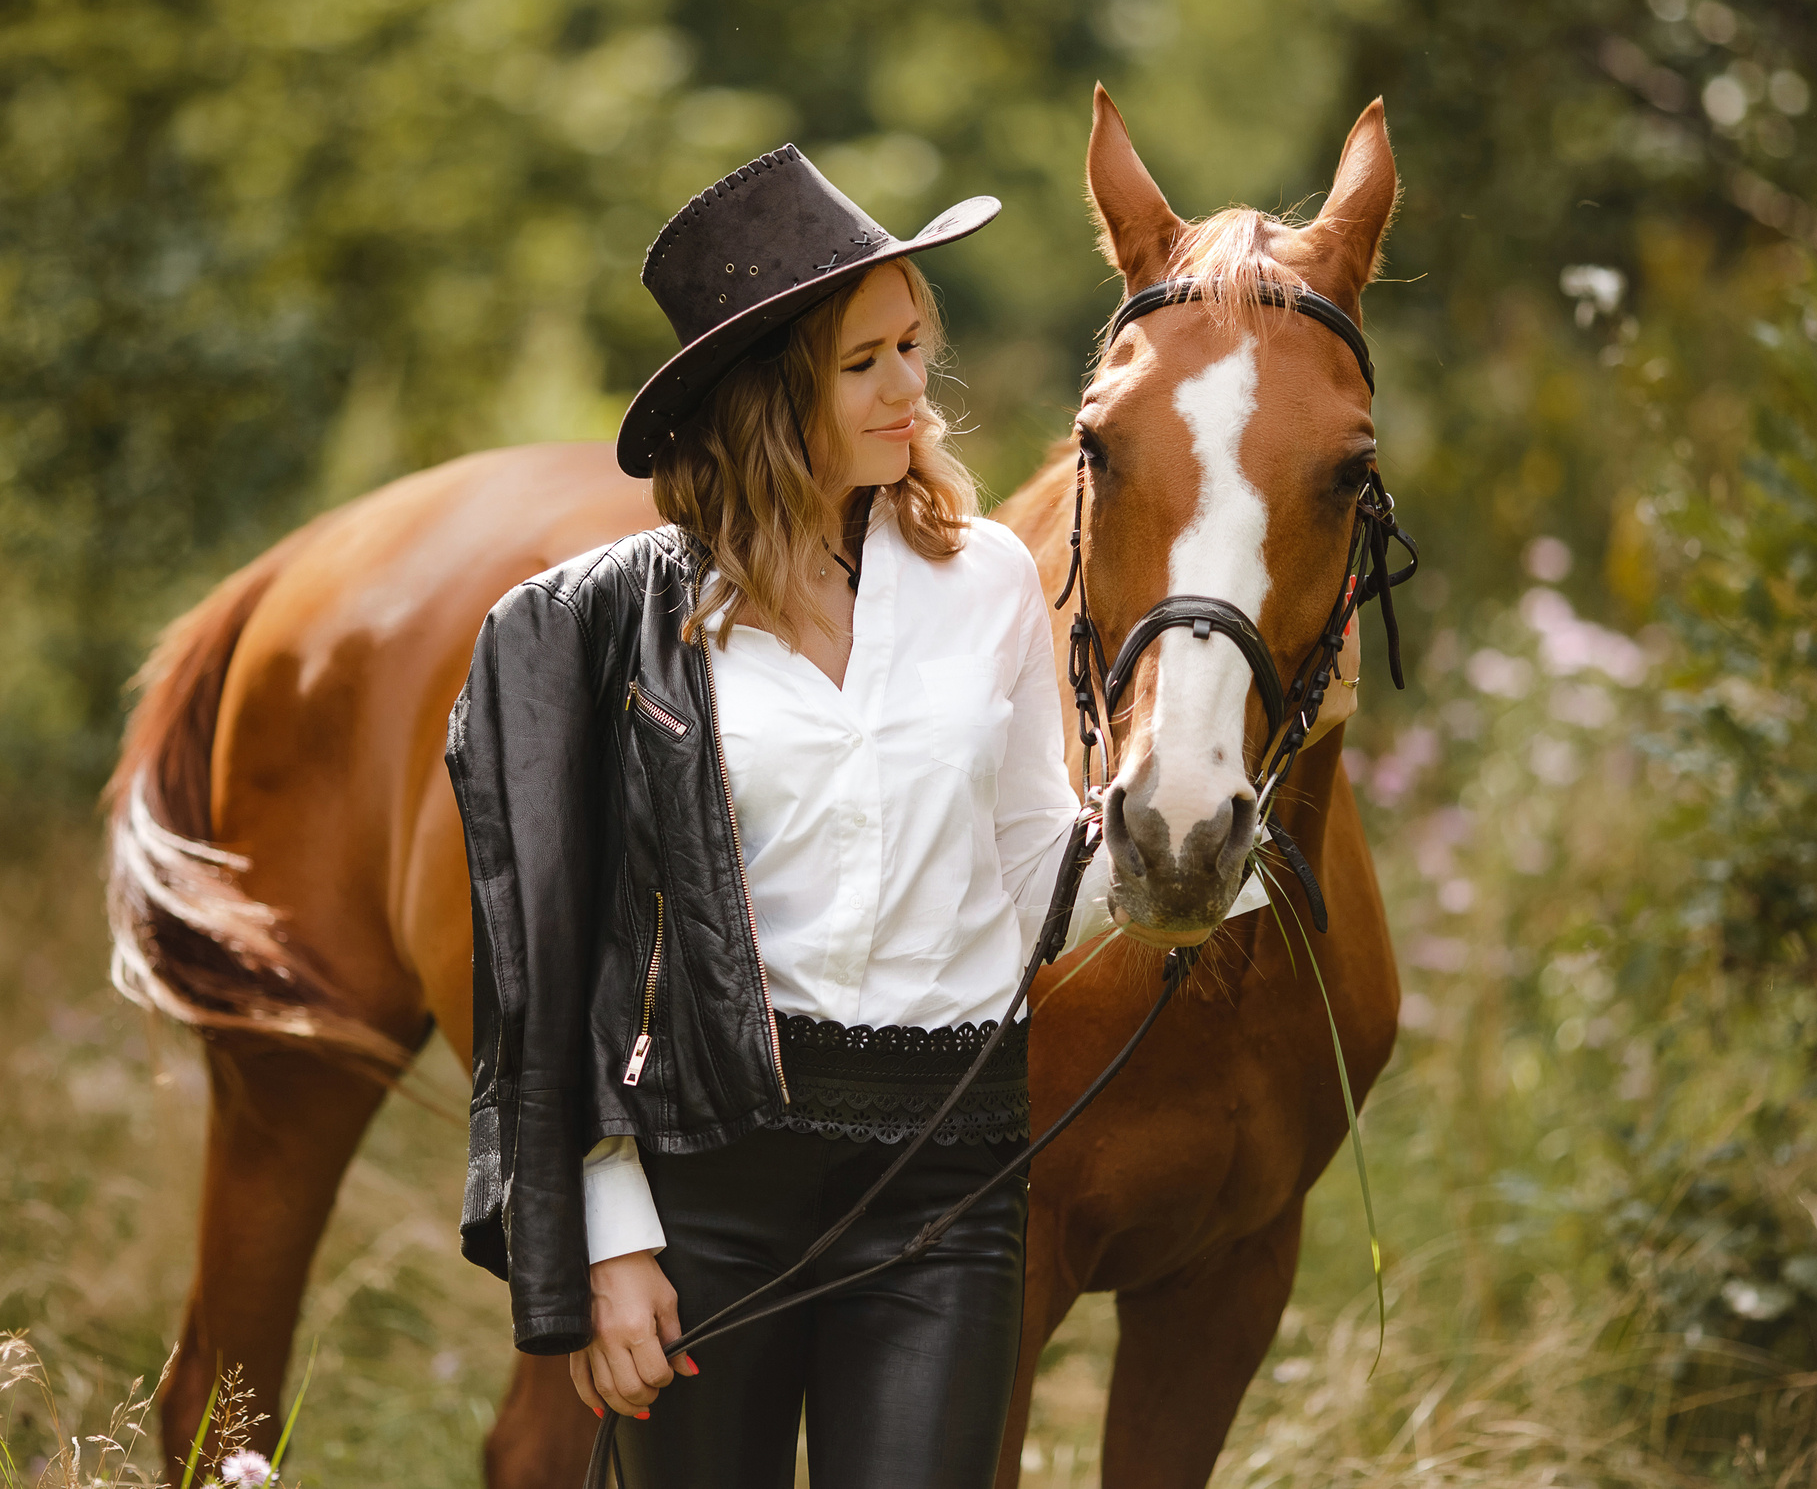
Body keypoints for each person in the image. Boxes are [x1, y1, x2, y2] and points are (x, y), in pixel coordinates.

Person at [445, 146, 1253, 1488]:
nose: (912, 389)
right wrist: (609, 1237)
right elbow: (563, 958)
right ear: (769, 395)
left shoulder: (983, 576)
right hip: (711, 1184)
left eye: (914, 348)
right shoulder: (626, 628)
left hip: (950, 1167)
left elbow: (1024, 863)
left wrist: (1210, 830)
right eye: (864, 361)